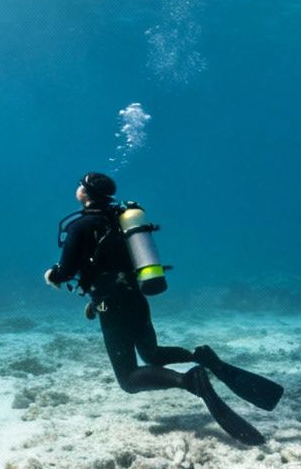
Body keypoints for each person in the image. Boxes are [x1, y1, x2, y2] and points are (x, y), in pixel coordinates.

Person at [45, 171, 282, 445]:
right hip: (135, 298)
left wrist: (51, 275)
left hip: (112, 306)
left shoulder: (81, 226)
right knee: (153, 354)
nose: (77, 188)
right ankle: (201, 357)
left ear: (86, 193)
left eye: (80, 185)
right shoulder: (121, 220)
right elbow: (113, 265)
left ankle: (190, 381)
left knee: (128, 379)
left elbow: (66, 271)